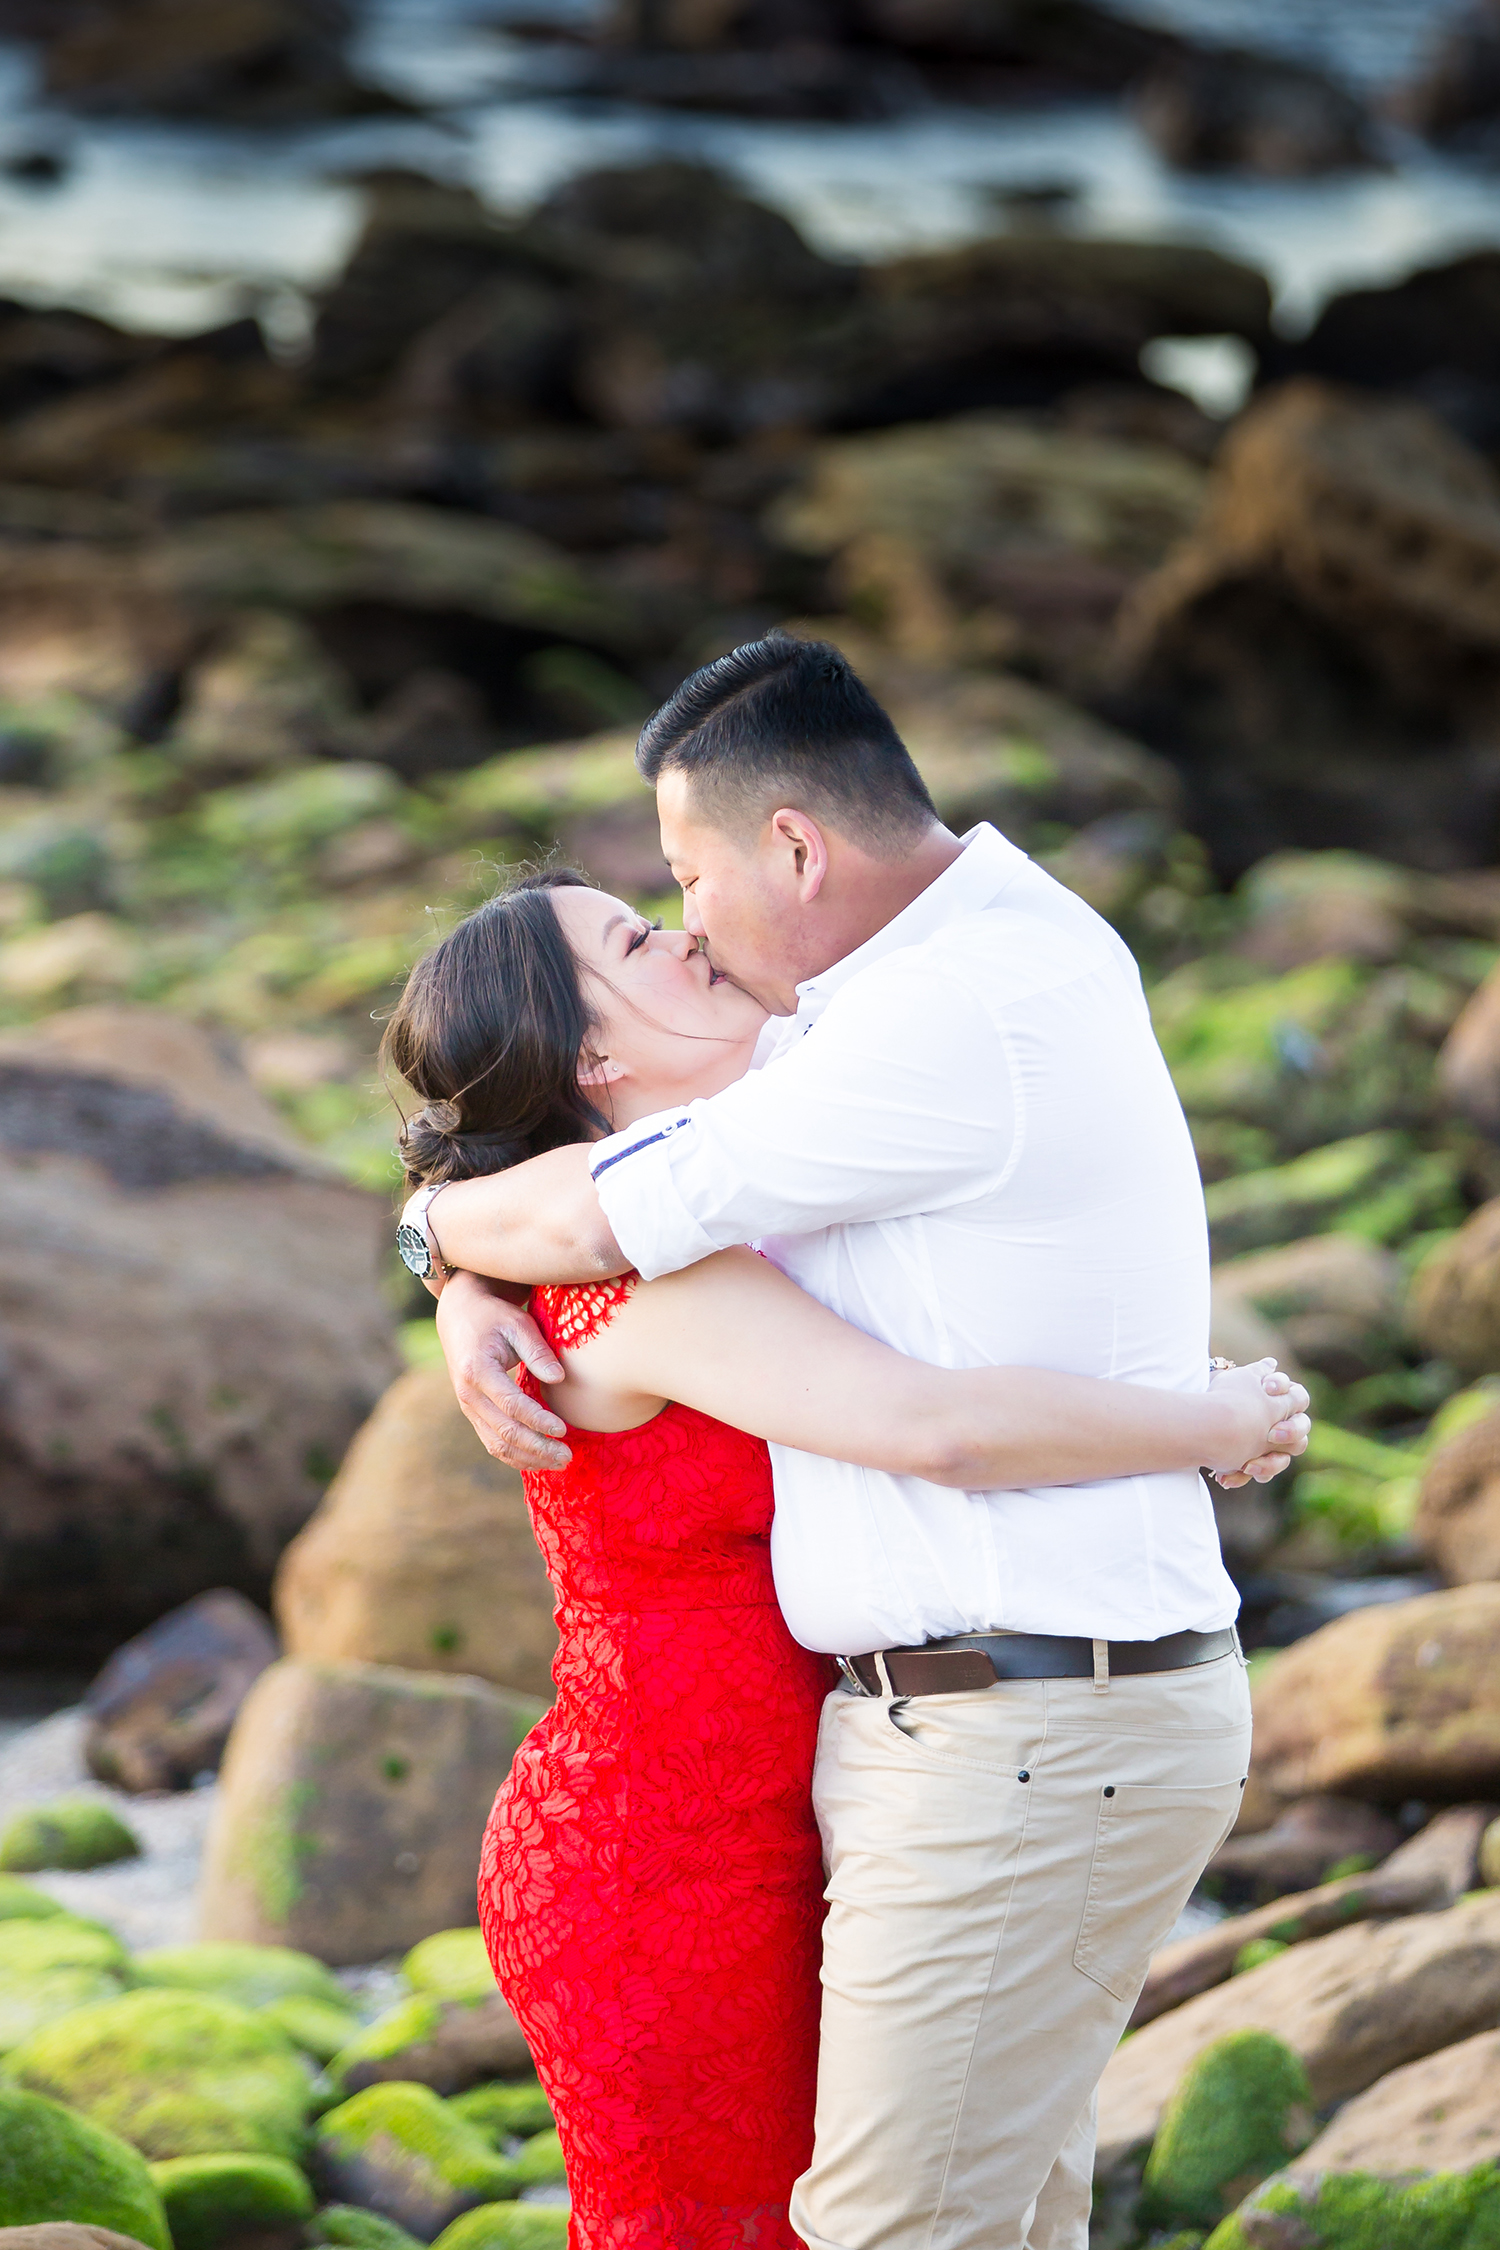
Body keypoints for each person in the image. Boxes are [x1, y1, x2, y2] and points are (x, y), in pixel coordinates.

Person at [403, 634, 1297, 2250]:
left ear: (795, 849)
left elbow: (631, 1232)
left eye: (680, 883)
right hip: (733, 1823)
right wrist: (446, 1253)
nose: (689, 925)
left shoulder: (901, 1026)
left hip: (997, 1736)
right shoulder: (910, 992)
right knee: (970, 2221)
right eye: (647, 923)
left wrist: (444, 1244)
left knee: (903, 2226)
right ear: (596, 1062)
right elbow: (895, 1401)